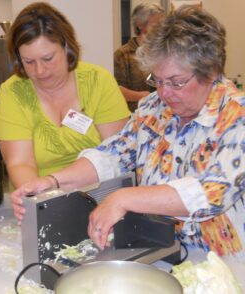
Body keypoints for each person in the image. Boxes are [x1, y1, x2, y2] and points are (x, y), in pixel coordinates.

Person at [12, 6, 245, 261]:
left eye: (176, 82)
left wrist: (125, 198)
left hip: (220, 259)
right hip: (159, 248)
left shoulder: (236, 116)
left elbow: (210, 192)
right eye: (156, 80)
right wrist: (54, 182)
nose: (164, 92)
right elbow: (113, 153)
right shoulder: (155, 107)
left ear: (210, 72)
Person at [0, 2, 131, 190]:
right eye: (29, 62)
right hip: (41, 198)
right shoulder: (13, 92)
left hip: (100, 195)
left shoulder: (98, 81)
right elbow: (20, 163)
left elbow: (118, 154)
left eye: (48, 58)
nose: (40, 71)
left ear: (67, 47)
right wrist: (38, 198)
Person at [114, 3, 165, 111]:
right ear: (140, 25)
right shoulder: (122, 55)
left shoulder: (166, 51)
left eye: (163, 26)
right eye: (156, 26)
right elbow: (115, 90)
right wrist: (142, 96)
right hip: (136, 117)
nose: (162, 30)